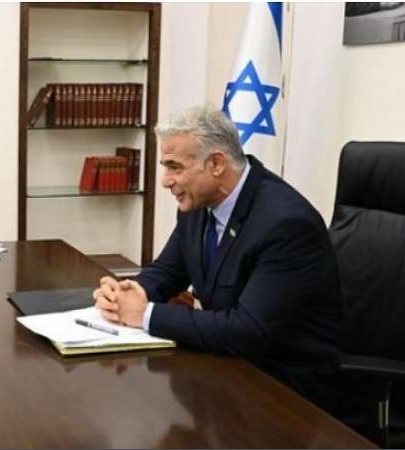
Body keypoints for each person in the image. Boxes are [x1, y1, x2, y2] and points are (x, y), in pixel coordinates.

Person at [94, 106, 346, 415]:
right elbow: (168, 271)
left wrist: (145, 314)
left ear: (216, 163)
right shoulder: (200, 203)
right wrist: (127, 294)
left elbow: (248, 330)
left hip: (287, 391)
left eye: (174, 167)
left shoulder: (286, 224)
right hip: (229, 367)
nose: (165, 181)